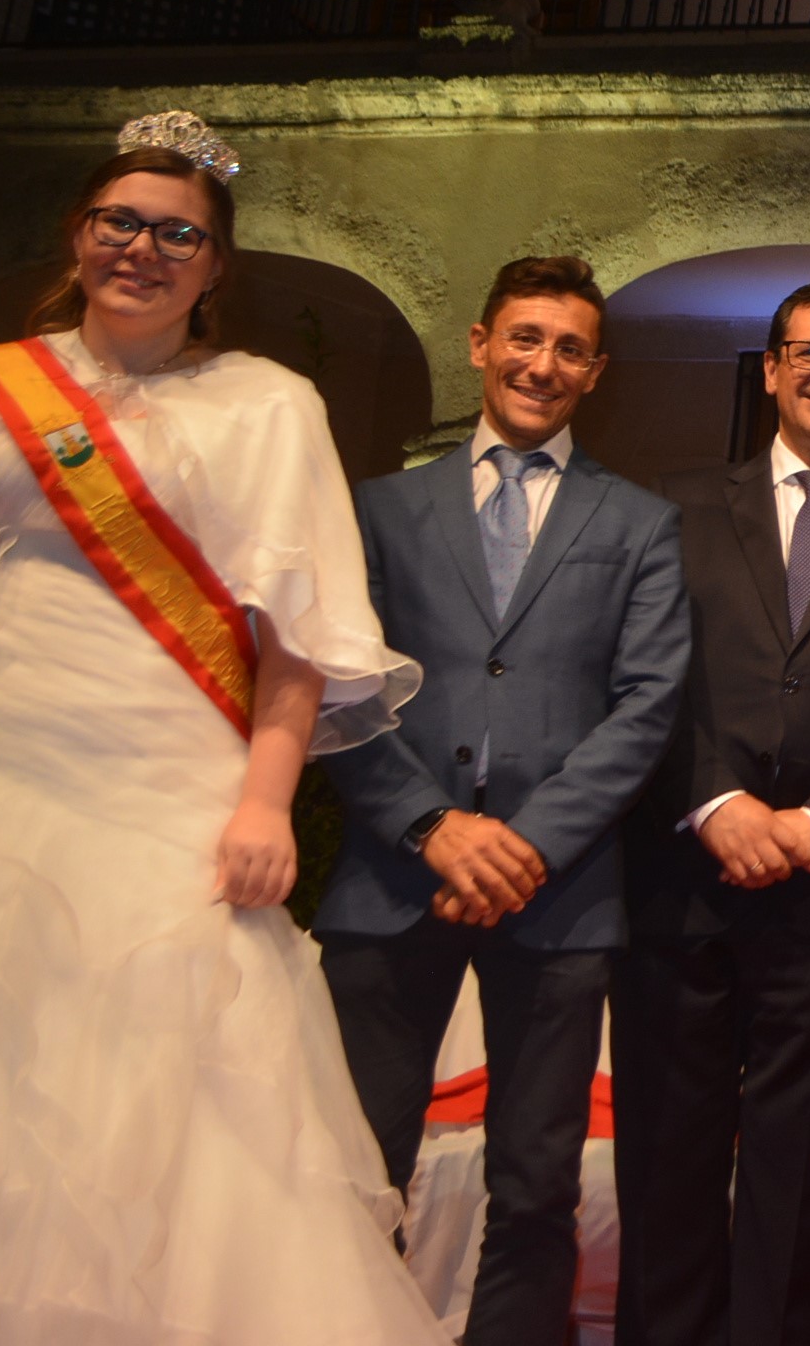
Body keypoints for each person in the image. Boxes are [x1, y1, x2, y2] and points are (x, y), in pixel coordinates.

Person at [0, 114, 442, 1342]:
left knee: (158, 1113)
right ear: (79, 233)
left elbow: (295, 638)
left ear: (214, 266)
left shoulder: (270, 403)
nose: (143, 251)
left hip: (162, 800)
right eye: (121, 222)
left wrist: (267, 798)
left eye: (178, 234)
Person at [317, 255, 689, 1346]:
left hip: (558, 892)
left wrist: (522, 845)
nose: (544, 363)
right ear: (480, 342)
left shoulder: (640, 522)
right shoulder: (380, 507)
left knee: (536, 1183)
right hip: (394, 875)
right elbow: (342, 682)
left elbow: (648, 703)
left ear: (596, 370)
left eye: (569, 347)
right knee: (355, 1166)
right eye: (525, 337)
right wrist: (434, 826)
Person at [613, 280, 810, 1346]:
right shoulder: (677, 499)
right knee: (666, 1165)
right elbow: (640, 675)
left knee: (797, 1182)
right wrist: (713, 798)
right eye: (808, 350)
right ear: (770, 368)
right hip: (680, 882)